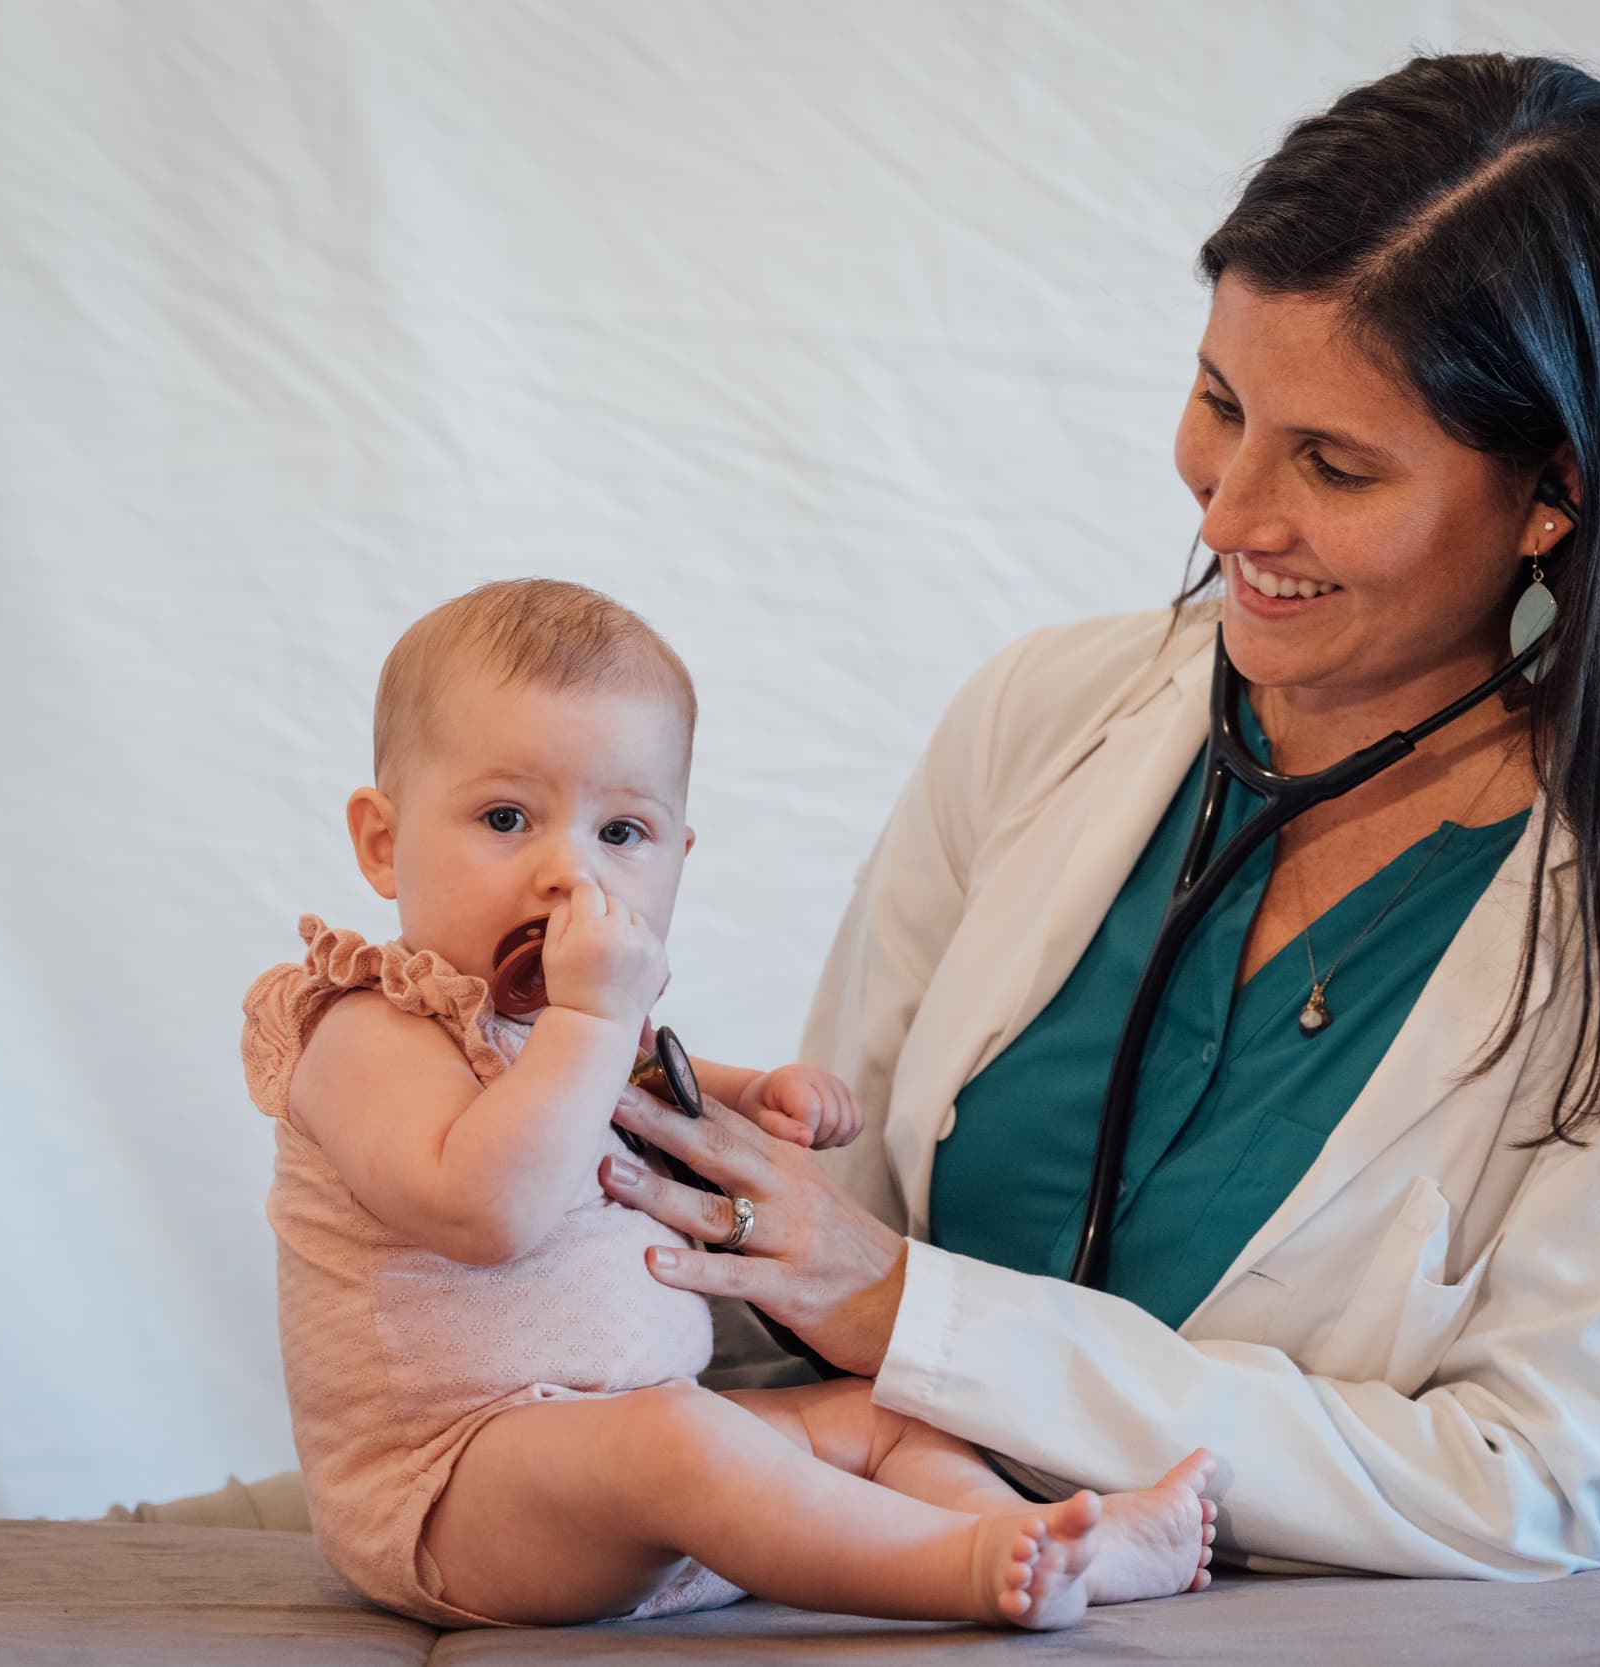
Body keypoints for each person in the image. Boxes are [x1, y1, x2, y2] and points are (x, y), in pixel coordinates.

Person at [592, 52, 1600, 1580]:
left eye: (1333, 464)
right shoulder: (1045, 718)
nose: (1227, 512)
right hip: (852, 1562)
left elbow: (1527, 1479)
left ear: (1556, 492)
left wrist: (916, 1315)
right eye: (1221, 403)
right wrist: (605, 1128)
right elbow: (817, 1248)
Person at [240, 578, 1216, 1630]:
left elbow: (635, 1091)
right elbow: (489, 1210)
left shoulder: (572, 1031)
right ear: (383, 841)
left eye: (622, 832)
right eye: (506, 817)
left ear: (679, 858)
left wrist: (754, 1093)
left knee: (875, 1415)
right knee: (677, 1441)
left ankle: (1072, 1545)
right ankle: (962, 1564)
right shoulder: (359, 1027)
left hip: (644, 1470)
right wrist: (595, 1020)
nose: (568, 873)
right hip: (456, 1490)